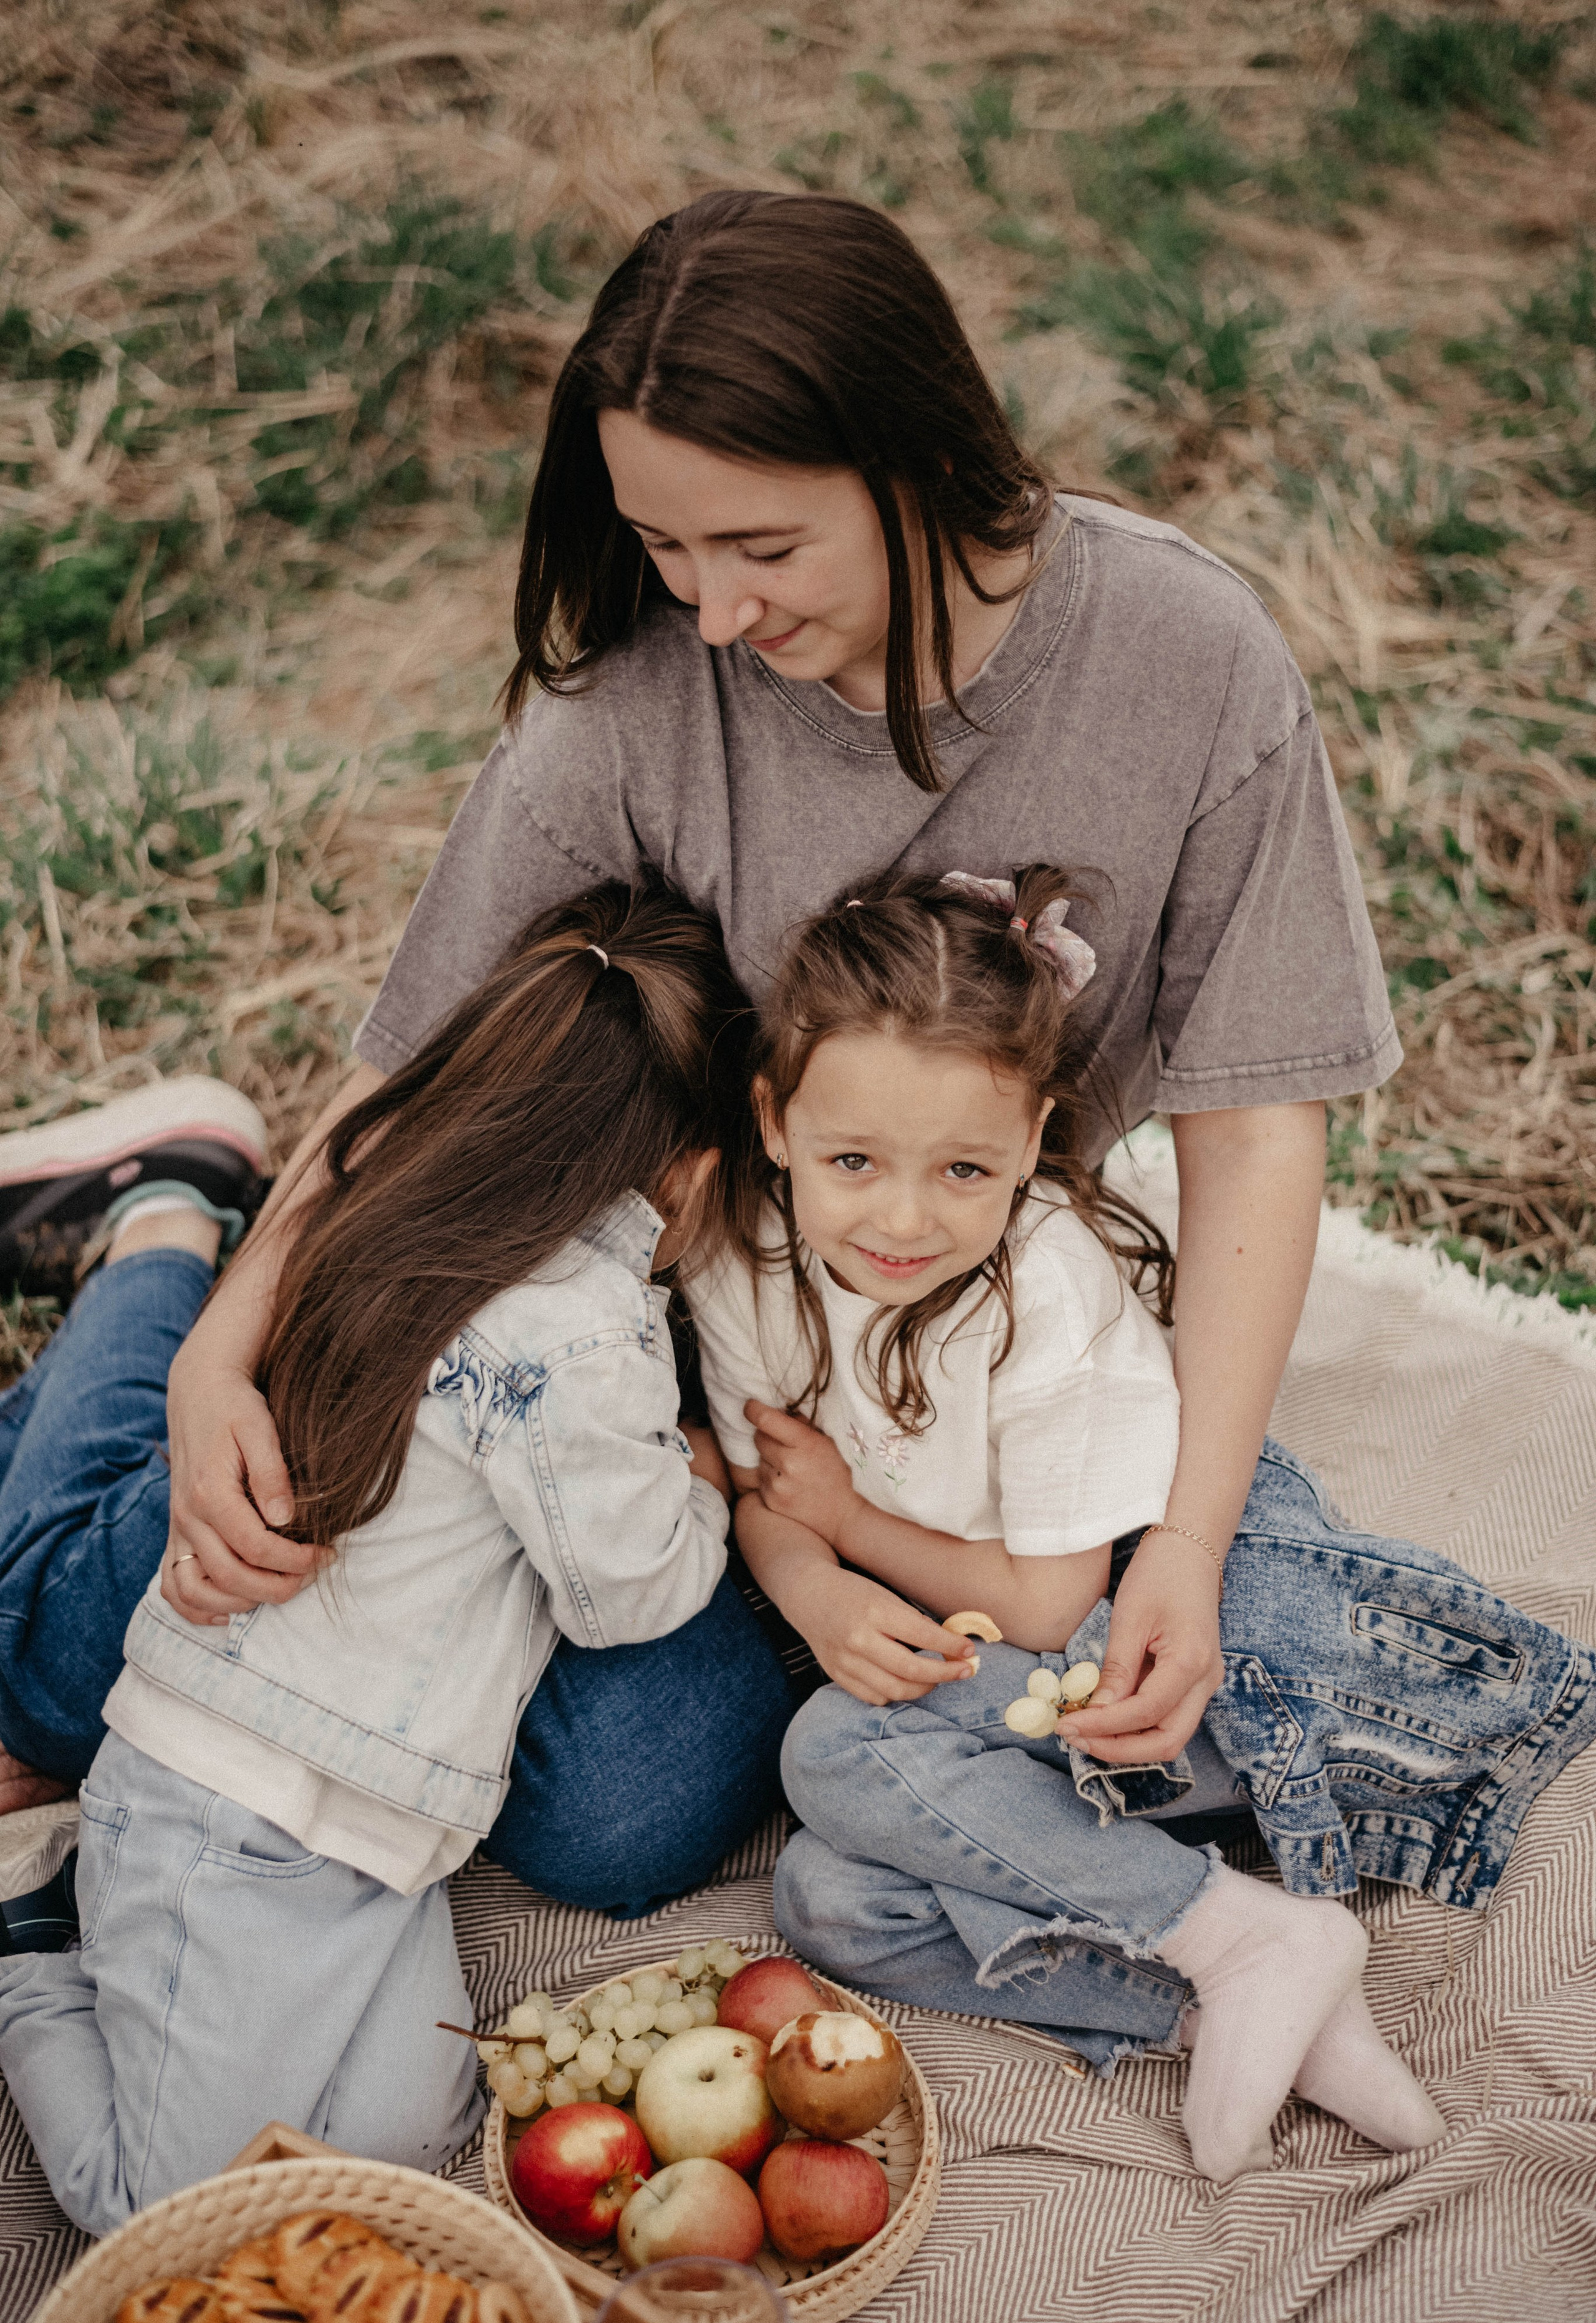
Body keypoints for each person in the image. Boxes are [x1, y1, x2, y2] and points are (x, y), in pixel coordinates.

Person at [0, 187, 1539, 1908]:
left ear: (916, 455)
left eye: (760, 548)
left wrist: (1180, 1537)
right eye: (665, 546)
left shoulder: (1190, 662)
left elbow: (1255, 1128)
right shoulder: (635, 704)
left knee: (617, 1819)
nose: (712, 614)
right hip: (633, 1315)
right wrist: (230, 1339)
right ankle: (162, 1222)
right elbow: (412, 1066)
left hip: (920, 1341)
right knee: (65, 1676)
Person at [683, 869, 1592, 2175]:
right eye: (851, 1162)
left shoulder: (1043, 1282)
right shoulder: (743, 1261)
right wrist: (813, 1588)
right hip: (990, 1688)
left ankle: (1240, 1937)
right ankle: (1236, 1990)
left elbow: (1050, 1607)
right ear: (774, 1123)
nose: (900, 1216)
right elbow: (772, 1494)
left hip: (1136, 1666)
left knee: (834, 1755)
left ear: (1033, 1137)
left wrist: (846, 1529)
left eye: (961, 1169)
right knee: (828, 1899)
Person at [0, 879, 751, 2234]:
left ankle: (103, 1939)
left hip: (371, 1836)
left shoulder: (397, 1201)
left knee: (411, 2135)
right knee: (174, 2215)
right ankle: (28, 1949)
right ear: (689, 1178)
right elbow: (626, 1590)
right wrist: (701, 1484)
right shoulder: (580, 1334)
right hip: (227, 1820)